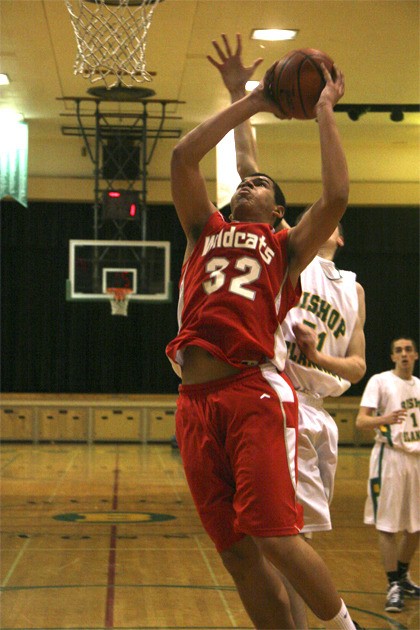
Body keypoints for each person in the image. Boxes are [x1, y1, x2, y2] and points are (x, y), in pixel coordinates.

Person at [165, 30, 362, 630]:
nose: (248, 183)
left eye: (260, 185)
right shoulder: (203, 229)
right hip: (194, 403)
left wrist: (324, 112)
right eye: (244, 182)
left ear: (278, 210)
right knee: (237, 554)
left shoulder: (285, 248)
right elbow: (183, 159)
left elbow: (337, 194)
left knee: (275, 537)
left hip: (252, 394)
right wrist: (249, 99)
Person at [356, 337, 420, 613]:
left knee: (416, 525)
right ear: (392, 356)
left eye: (408, 350)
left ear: (415, 355)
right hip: (390, 458)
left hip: (416, 459)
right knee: (388, 524)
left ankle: (403, 576)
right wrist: (385, 419)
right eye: (398, 351)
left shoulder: (419, 386)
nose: (404, 354)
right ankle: (392, 584)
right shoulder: (380, 381)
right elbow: (361, 421)